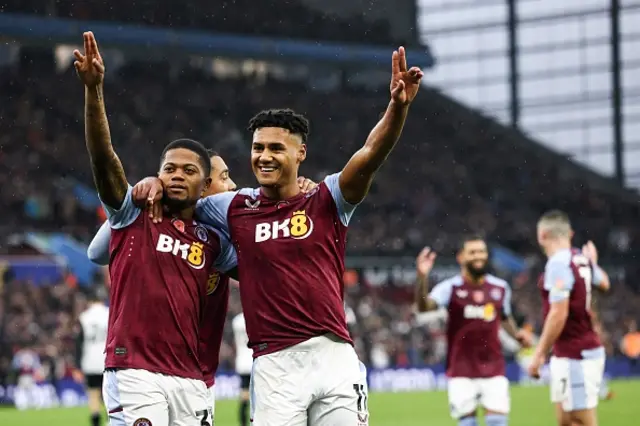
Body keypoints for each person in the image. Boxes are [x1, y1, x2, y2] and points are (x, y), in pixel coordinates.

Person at [134, 46, 424, 425]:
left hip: (333, 355)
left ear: (300, 152)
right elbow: (182, 194)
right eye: (257, 148)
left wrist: (397, 107)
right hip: (274, 365)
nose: (264, 156)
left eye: (276, 148)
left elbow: (370, 154)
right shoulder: (233, 207)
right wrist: (153, 181)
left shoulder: (326, 199)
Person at [74, 31, 237, 426]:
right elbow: (104, 159)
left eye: (189, 171)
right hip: (136, 371)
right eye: (169, 169)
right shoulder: (134, 212)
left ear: (204, 187)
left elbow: (266, 268)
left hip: (194, 379)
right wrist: (94, 91)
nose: (177, 176)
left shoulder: (215, 240)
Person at [87, 150, 318, 421]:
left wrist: (298, 195)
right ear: (203, 186)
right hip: (148, 369)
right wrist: (148, 187)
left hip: (199, 375)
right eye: (225, 177)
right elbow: (96, 252)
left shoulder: (222, 235)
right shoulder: (159, 221)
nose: (232, 185)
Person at [414, 235, 532, 426]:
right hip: (461, 372)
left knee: (497, 422)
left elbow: (504, 317)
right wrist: (421, 278)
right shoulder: (450, 288)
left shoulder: (500, 288)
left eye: (482, 252)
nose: (479, 256)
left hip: (494, 369)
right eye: (473, 252)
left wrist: (518, 335)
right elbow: (423, 307)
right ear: (461, 257)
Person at [528, 211, 610, 426]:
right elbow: (604, 284)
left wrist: (538, 354)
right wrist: (594, 262)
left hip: (576, 353)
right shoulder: (582, 260)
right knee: (566, 420)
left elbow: (558, 313)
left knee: (580, 420)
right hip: (573, 352)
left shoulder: (557, 263)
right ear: (570, 234)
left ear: (542, 235)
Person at [76, 288, 109, 426]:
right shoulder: (110, 313)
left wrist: (78, 365)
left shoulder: (84, 317)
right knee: (108, 391)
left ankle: (95, 420)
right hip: (107, 359)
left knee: (93, 392)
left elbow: (79, 342)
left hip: (90, 359)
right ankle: (111, 419)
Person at [231, 312, 253, 426]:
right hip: (254, 361)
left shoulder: (236, 321)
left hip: (242, 361)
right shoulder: (254, 316)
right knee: (258, 396)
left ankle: (243, 423)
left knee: (244, 396)